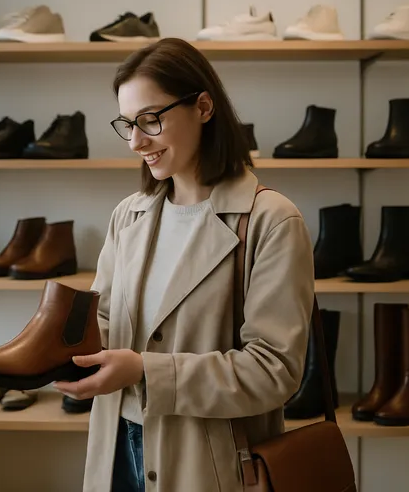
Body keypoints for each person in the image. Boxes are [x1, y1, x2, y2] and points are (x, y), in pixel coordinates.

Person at [53, 38, 315, 492]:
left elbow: (274, 371)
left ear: (204, 107)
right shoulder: (129, 214)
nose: (136, 141)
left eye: (151, 120)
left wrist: (144, 370)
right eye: (128, 124)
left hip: (208, 465)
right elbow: (108, 319)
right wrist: (53, 347)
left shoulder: (272, 221)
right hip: (117, 446)